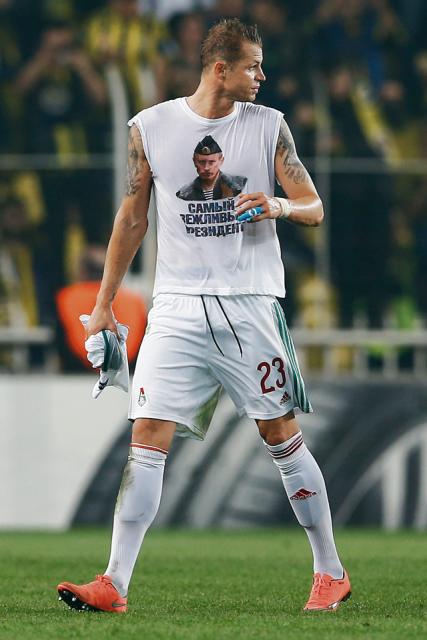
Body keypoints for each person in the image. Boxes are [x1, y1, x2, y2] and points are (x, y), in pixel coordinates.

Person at [57, 18, 351, 614]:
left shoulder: (268, 125)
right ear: (221, 68)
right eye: (252, 65)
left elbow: (314, 207)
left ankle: (330, 571)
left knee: (279, 434)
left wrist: (276, 206)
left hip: (249, 303)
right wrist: (103, 304)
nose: (262, 75)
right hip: (176, 308)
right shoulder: (150, 127)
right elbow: (131, 219)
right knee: (147, 433)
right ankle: (114, 582)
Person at [176, 135, 247, 200]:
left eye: (211, 162)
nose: (206, 168)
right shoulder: (184, 194)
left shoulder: (239, 185)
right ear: (194, 161)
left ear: (221, 161)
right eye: (202, 162)